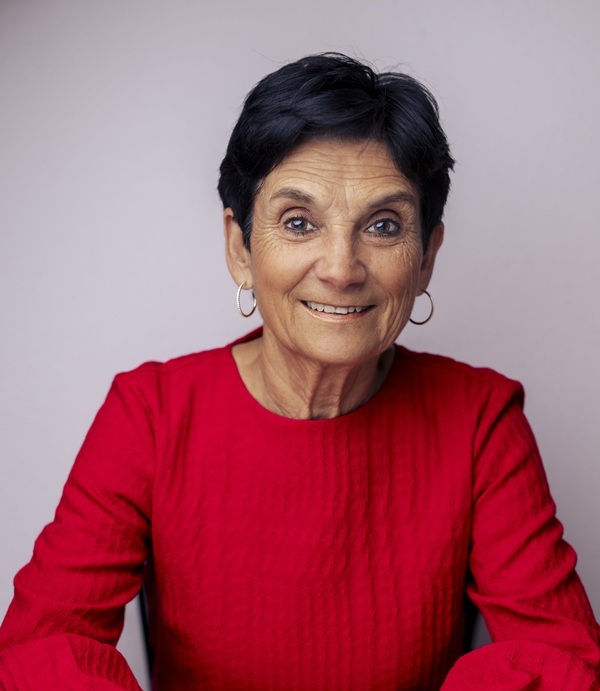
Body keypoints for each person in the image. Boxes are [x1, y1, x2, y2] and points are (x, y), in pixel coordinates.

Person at [0, 53, 598, 690]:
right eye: (298, 223)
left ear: (426, 258)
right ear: (240, 247)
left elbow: (557, 656)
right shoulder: (149, 414)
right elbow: (44, 647)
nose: (340, 268)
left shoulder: (480, 420)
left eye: (384, 225)